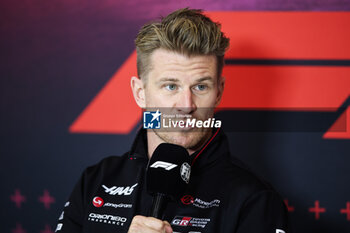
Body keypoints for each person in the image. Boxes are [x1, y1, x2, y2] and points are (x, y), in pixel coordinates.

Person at [56, 8, 288, 233]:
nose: (187, 105)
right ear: (140, 93)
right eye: (170, 86)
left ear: (218, 92)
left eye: (200, 86)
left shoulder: (253, 199)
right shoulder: (97, 180)